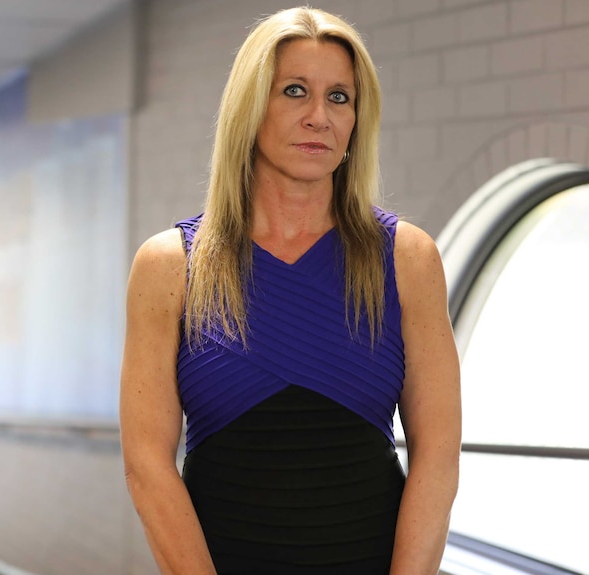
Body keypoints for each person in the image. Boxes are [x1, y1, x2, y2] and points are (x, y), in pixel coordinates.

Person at [119, 6, 461, 574]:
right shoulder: (170, 266)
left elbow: (438, 458)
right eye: (295, 91)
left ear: (356, 120)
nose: (318, 117)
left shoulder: (407, 259)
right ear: (249, 110)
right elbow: (146, 464)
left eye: (339, 98)